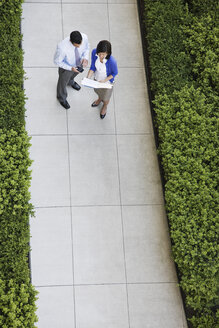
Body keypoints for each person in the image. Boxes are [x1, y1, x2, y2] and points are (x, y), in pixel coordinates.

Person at [54, 31, 89, 109]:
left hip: (79, 63)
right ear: (71, 41)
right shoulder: (62, 48)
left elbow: (87, 48)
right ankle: (61, 98)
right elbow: (57, 61)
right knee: (62, 83)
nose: (79, 46)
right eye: (77, 45)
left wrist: (85, 58)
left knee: (73, 75)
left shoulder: (84, 37)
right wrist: (70, 68)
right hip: (67, 67)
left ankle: (71, 82)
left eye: (80, 44)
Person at [87, 40, 118, 119]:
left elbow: (114, 73)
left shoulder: (112, 61)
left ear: (108, 53)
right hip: (97, 79)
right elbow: (93, 67)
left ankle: (105, 106)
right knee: (98, 92)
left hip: (106, 83)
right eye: (99, 53)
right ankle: (99, 99)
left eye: (103, 54)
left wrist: (104, 81)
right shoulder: (94, 52)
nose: (100, 56)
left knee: (106, 98)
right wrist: (88, 78)